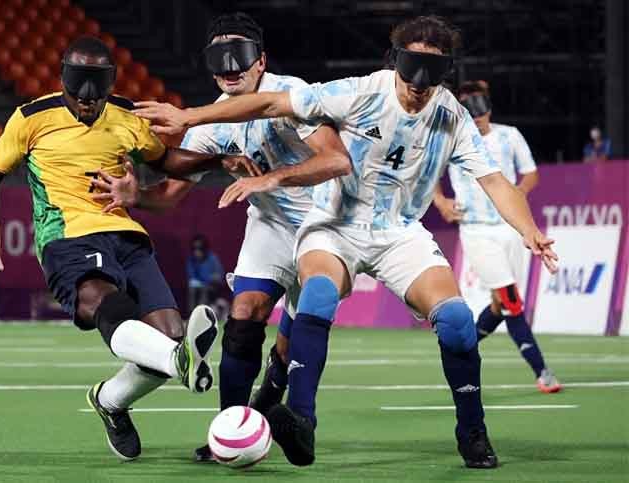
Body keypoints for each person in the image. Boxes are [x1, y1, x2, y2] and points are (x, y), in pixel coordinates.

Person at [135, 15, 559, 469]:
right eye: (411, 66)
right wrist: (189, 118)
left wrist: (529, 229)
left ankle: (472, 432)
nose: (419, 83)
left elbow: (494, 180)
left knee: (456, 321)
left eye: (432, 72)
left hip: (399, 232)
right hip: (333, 224)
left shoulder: (451, 114)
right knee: (307, 298)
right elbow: (269, 104)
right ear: (395, 61)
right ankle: (300, 422)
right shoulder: (361, 91)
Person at [0, 36, 260, 462]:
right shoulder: (31, 118)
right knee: (103, 303)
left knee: (167, 332)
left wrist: (218, 160)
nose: (86, 100)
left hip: (126, 234)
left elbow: (166, 161)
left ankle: (111, 400)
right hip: (67, 235)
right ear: (63, 80)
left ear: (109, 84)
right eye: (77, 90)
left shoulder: (127, 115)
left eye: (97, 90)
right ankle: (179, 362)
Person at [92, 12, 351, 464]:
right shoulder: (212, 125)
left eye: (241, 56)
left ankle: (271, 394)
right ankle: (230, 427)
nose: (230, 67)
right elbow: (169, 195)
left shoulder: (295, 96)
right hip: (269, 226)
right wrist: (135, 195)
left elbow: (335, 160)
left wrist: (273, 178)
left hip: (327, 226)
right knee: (245, 313)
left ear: (261, 61)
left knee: (289, 347)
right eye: (219, 57)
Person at [434, 80, 562, 393]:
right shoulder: (452, 140)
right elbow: (431, 175)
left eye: (480, 109)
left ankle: (460, 349)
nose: (476, 116)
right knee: (510, 300)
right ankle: (542, 371)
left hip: (509, 227)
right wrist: (440, 201)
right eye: (469, 109)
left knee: (499, 305)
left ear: (488, 108)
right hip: (476, 229)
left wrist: (518, 193)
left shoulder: (509, 136)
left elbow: (530, 172)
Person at [186, 235, 224, 314]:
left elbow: (219, 276)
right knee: (192, 289)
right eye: (194, 249)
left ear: (205, 249)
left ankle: (201, 313)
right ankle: (192, 313)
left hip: (211, 286)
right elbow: (191, 275)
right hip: (198, 285)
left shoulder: (212, 258)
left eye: (200, 249)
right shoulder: (191, 259)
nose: (197, 252)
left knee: (204, 290)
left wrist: (208, 280)